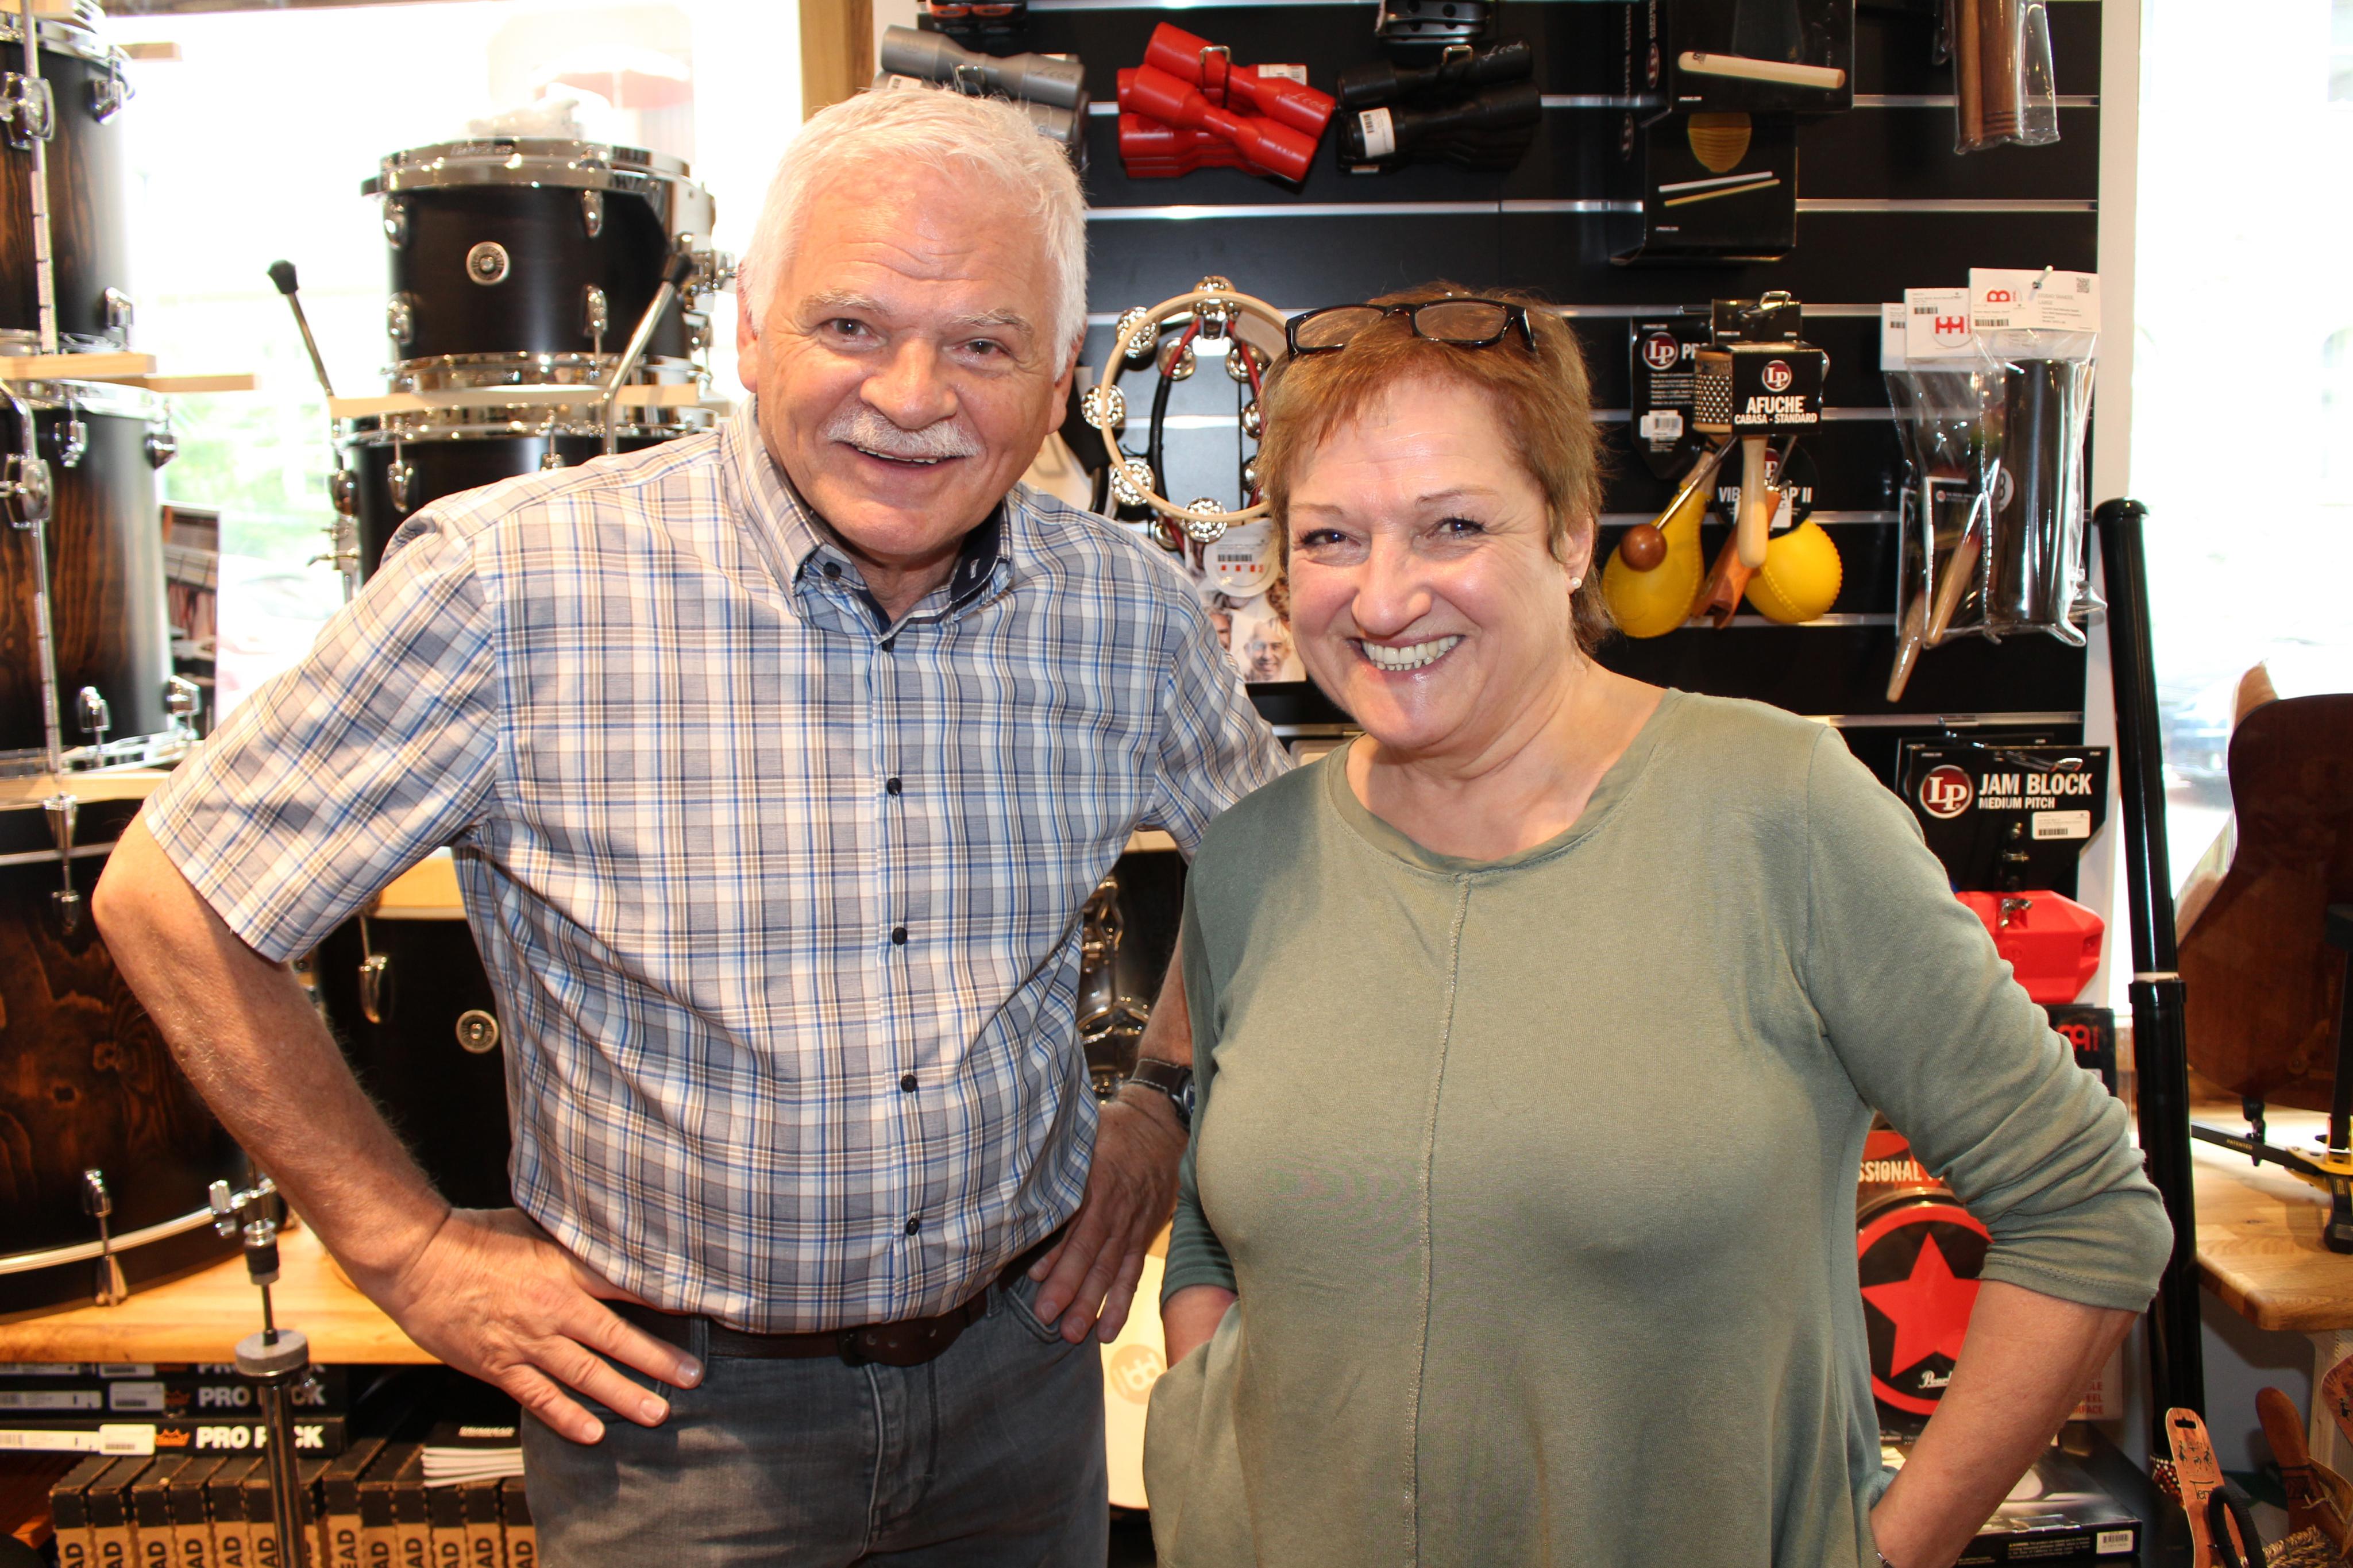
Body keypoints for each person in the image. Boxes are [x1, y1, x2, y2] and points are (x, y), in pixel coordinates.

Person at [93, 87, 1286, 1565]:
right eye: (850, 326)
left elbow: (1281, 870)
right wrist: (407, 1250)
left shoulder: (1125, 611)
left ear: (1056, 383)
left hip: (1023, 1376)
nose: (912, 395)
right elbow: (174, 898)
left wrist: (1159, 1105)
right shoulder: (514, 585)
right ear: (749, 333)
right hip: (673, 1426)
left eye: (982, 344)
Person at [1143, 284, 2171, 1568]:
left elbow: (2086, 1211)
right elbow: (1218, 1222)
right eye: (1331, 537)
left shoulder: (1775, 808)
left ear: (1573, 535)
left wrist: (1885, 1555)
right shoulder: (1254, 857)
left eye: (1452, 525)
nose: (1383, 598)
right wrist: (1208, 1431)